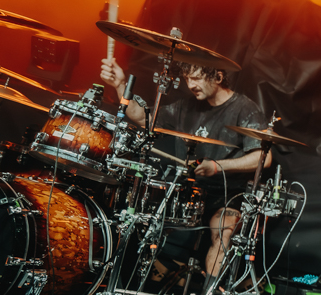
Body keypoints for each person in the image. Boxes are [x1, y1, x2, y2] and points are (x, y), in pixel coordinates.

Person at [100, 55, 271, 277]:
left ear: (218, 77)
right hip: (188, 189)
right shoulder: (187, 106)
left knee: (224, 232)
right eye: (188, 78)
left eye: (196, 78)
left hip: (226, 193)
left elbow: (263, 158)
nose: (190, 85)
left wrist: (217, 166)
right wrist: (120, 84)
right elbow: (143, 118)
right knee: (138, 219)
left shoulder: (244, 108)